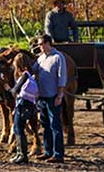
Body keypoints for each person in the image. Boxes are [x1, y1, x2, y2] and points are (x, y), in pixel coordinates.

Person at [32, 34, 67, 163]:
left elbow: (61, 77)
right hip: (42, 97)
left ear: (48, 43)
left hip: (53, 96)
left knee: (55, 125)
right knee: (45, 125)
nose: (39, 47)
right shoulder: (41, 58)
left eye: (41, 44)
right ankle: (48, 151)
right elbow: (32, 71)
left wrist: (60, 95)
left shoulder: (58, 57)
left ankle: (58, 154)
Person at [3, 53, 39, 164]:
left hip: (23, 105)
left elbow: (15, 91)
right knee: (21, 129)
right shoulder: (31, 75)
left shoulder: (24, 75)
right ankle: (21, 154)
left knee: (19, 130)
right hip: (31, 105)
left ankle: (22, 155)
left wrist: (8, 88)